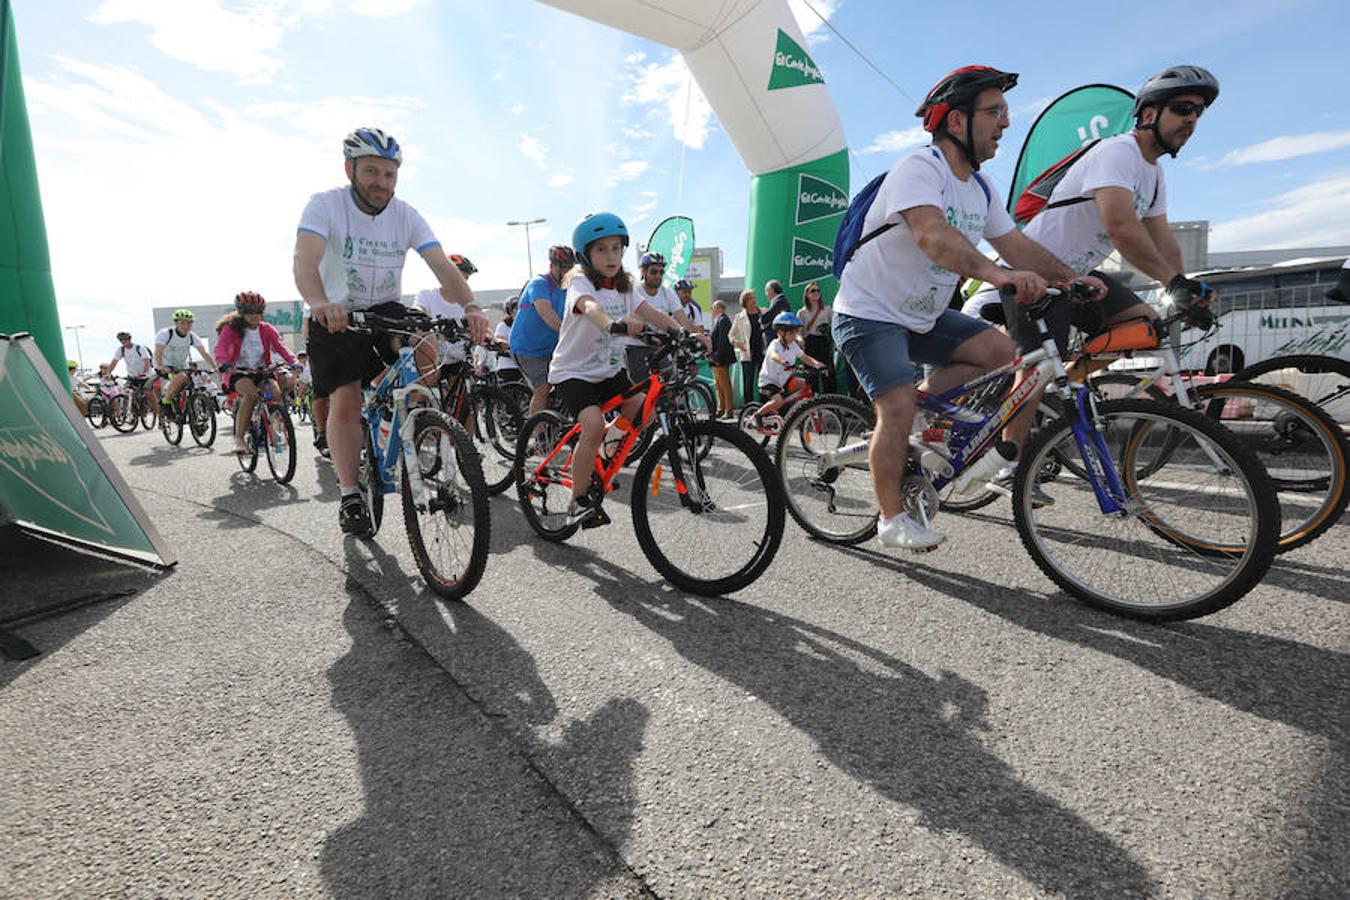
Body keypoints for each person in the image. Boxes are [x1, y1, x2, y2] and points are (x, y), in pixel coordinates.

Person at [831, 65, 1104, 550]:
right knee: (894, 407)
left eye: (1006, 112)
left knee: (1003, 355)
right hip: (869, 311)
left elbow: (1017, 245)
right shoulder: (921, 168)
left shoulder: (981, 188)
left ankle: (913, 421)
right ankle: (891, 518)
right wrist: (998, 276)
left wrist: (1071, 277)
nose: (1004, 122)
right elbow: (931, 235)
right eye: (994, 112)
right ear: (956, 123)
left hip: (923, 314)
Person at [965, 64, 1221, 502]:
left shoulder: (1154, 173)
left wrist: (1185, 286)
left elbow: (1163, 242)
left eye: (1198, 112)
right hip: (1040, 273)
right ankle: (1007, 465)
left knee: (1143, 322)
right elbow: (1121, 227)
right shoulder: (1117, 152)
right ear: (1148, 114)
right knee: (1033, 366)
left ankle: (1062, 389)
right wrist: (1172, 282)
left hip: (1082, 276)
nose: (1192, 120)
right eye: (1182, 109)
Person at [294, 126, 488, 535]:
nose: (381, 182)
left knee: (427, 345)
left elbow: (442, 267)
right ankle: (350, 492)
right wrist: (319, 303)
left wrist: (470, 305)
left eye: (389, 174)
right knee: (345, 399)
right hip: (337, 314)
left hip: (385, 309)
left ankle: (413, 420)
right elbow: (304, 261)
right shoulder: (324, 206)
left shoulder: (405, 214)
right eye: (371, 172)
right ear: (350, 169)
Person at [548, 212, 684, 528]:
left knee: (643, 412)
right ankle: (577, 501)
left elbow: (649, 311)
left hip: (608, 370)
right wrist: (614, 325)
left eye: (616, 248)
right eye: (601, 250)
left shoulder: (625, 285)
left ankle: (604, 452)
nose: (611, 256)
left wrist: (680, 330)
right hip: (573, 371)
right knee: (593, 426)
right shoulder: (580, 281)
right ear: (585, 255)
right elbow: (589, 307)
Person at [214, 292, 299, 455]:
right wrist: (223, 363)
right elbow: (221, 348)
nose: (254, 315)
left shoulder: (267, 329)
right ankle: (239, 439)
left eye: (258, 311)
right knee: (251, 395)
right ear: (241, 312)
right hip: (238, 372)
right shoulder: (231, 329)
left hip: (262, 371)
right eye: (249, 311)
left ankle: (273, 429)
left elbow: (281, 348)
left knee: (275, 394)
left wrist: (294, 362)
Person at [512, 245, 574, 415]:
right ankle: (537, 434)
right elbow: (546, 313)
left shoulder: (570, 288)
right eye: (562, 266)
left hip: (552, 346)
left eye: (569, 267)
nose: (566, 271)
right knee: (543, 388)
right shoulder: (539, 283)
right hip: (527, 348)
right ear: (551, 266)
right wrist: (570, 335)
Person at [749, 312, 826, 426]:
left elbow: (804, 357)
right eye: (791, 333)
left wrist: (818, 364)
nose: (794, 335)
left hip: (784, 381)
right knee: (778, 401)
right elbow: (774, 355)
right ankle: (757, 416)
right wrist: (784, 362)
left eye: (795, 332)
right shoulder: (775, 344)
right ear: (780, 332)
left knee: (804, 385)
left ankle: (798, 411)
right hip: (768, 381)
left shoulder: (793, 345)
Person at [155, 310, 219, 417]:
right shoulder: (165, 334)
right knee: (181, 377)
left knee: (193, 383)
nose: (186, 326)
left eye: (189, 323)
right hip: (166, 366)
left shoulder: (192, 336)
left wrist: (215, 367)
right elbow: (158, 351)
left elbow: (204, 353)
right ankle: (165, 402)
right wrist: (160, 366)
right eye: (182, 323)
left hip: (182, 366)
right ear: (176, 323)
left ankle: (194, 412)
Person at [729, 289, 764, 408]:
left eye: (754, 297)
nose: (753, 300)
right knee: (748, 383)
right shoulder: (739, 317)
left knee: (764, 382)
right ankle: (749, 409)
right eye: (750, 298)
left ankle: (764, 407)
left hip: (763, 352)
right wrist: (740, 345)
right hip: (748, 354)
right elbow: (731, 336)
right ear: (745, 301)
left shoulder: (763, 312)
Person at [799, 282, 836, 393]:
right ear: (807, 294)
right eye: (813, 291)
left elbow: (834, 325)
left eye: (818, 290)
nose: (816, 293)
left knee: (828, 374)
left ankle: (831, 406)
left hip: (823, 343)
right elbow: (799, 331)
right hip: (809, 344)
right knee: (811, 376)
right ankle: (813, 406)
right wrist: (800, 339)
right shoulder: (802, 312)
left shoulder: (827, 309)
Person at [107, 332, 156, 409]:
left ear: (129, 339)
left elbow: (147, 361)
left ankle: (159, 415)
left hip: (146, 376)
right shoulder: (121, 350)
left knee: (149, 394)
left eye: (125, 339)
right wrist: (108, 373)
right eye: (120, 340)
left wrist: (143, 373)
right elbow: (114, 362)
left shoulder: (140, 348)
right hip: (132, 376)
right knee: (127, 394)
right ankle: (132, 416)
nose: (123, 341)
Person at [708, 299, 736, 418]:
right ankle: (722, 408)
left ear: (719, 308)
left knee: (724, 385)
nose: (712, 310)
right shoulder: (720, 320)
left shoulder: (723, 320)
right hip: (717, 359)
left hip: (720, 359)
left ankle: (728, 410)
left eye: (713, 308)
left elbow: (723, 341)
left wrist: (717, 357)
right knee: (719, 385)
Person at [493, 297, 523, 383]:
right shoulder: (503, 326)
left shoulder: (525, 324)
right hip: (507, 366)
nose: (517, 312)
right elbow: (499, 342)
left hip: (523, 366)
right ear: (509, 312)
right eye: (514, 309)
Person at [759, 279, 791, 351]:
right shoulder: (779, 301)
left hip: (777, 340)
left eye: (766, 291)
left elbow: (766, 319)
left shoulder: (779, 302)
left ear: (771, 290)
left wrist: (761, 313)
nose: (765, 294)